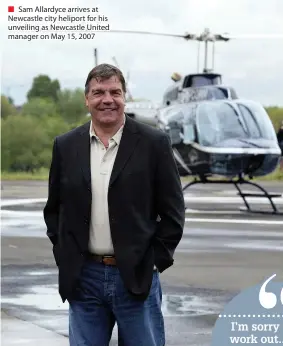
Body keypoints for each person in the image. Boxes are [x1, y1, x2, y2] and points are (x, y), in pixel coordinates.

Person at [43, 63, 185, 346]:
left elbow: (173, 212)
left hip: (136, 277)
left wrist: (153, 260)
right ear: (87, 99)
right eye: (98, 92)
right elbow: (54, 211)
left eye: (114, 92)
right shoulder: (66, 146)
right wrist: (68, 258)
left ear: (124, 97)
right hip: (85, 279)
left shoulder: (154, 143)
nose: (107, 99)